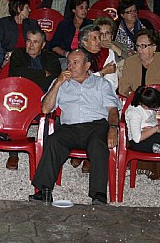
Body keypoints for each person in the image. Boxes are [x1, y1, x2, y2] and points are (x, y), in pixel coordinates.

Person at [29, 49, 120, 206]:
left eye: (75, 63)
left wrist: (113, 128)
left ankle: (98, 194)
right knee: (54, 141)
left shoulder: (101, 84)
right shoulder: (61, 83)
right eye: (69, 63)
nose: (70, 66)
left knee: (98, 144)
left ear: (87, 66)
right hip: (70, 127)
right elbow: (45, 109)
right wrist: (57, 83)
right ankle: (44, 190)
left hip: (96, 126)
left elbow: (113, 109)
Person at [6, 28, 61, 170]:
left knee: (53, 114)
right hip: (20, 96)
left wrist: (28, 77)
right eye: (29, 41)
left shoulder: (52, 58)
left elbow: (54, 80)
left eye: (35, 42)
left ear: (43, 45)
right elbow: (17, 73)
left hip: (42, 99)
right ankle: (13, 152)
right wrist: (42, 73)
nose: (31, 45)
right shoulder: (18, 54)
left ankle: (46, 155)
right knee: (14, 106)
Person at [119, 29, 160, 98]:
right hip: (136, 100)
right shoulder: (130, 61)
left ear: (154, 47)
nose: (139, 49)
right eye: (137, 46)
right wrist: (132, 95)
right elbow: (123, 86)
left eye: (143, 46)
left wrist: (149, 99)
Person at [48, 0, 92, 67]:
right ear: (73, 10)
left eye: (86, 8)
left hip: (84, 59)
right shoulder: (64, 25)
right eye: (81, 8)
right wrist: (67, 54)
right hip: (65, 58)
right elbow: (53, 46)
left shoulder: (90, 25)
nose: (84, 11)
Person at [79, 25, 118, 92]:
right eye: (95, 38)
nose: (99, 41)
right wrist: (102, 72)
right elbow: (80, 82)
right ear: (84, 42)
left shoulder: (107, 53)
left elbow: (112, 83)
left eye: (99, 37)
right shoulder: (76, 57)